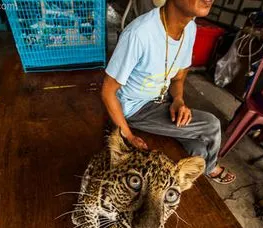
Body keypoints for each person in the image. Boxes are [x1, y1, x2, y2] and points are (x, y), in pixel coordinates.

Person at [101, 0, 236, 184]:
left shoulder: (190, 29)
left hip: (160, 101)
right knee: (211, 125)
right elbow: (108, 91)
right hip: (133, 110)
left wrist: (178, 100)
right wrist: (128, 135)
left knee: (200, 150)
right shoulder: (139, 33)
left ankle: (202, 169)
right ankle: (211, 168)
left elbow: (178, 78)